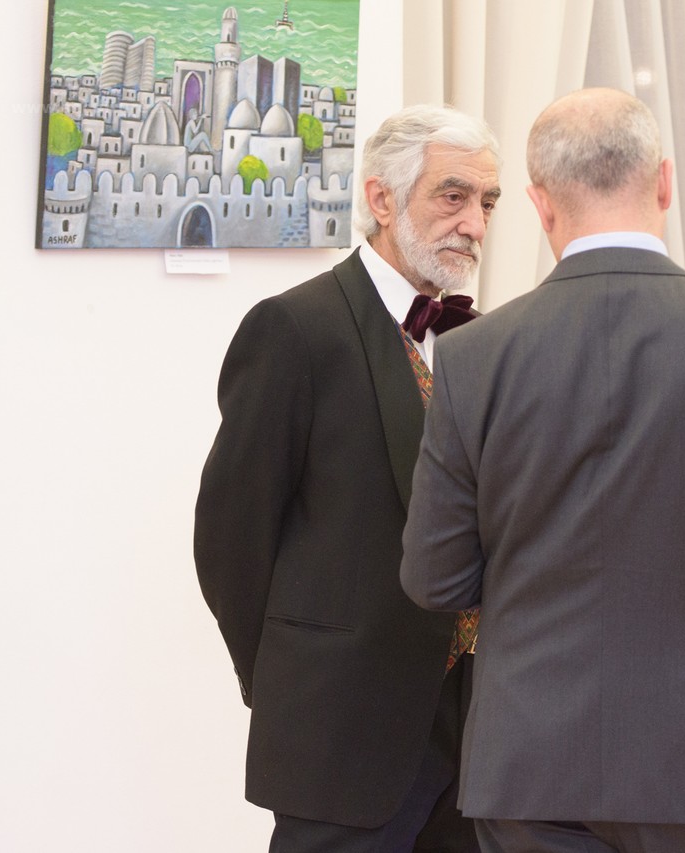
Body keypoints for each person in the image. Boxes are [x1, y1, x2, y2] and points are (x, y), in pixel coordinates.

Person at [399, 88, 685, 853]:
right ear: (665, 182)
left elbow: (434, 576)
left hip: (533, 765)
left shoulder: (474, 357)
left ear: (542, 206)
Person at [194, 103, 501, 853]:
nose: (474, 224)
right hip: (341, 734)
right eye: (453, 196)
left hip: (479, 734)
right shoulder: (294, 329)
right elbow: (230, 541)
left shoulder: (483, 340)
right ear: (381, 199)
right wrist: (292, 683)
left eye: (488, 203)